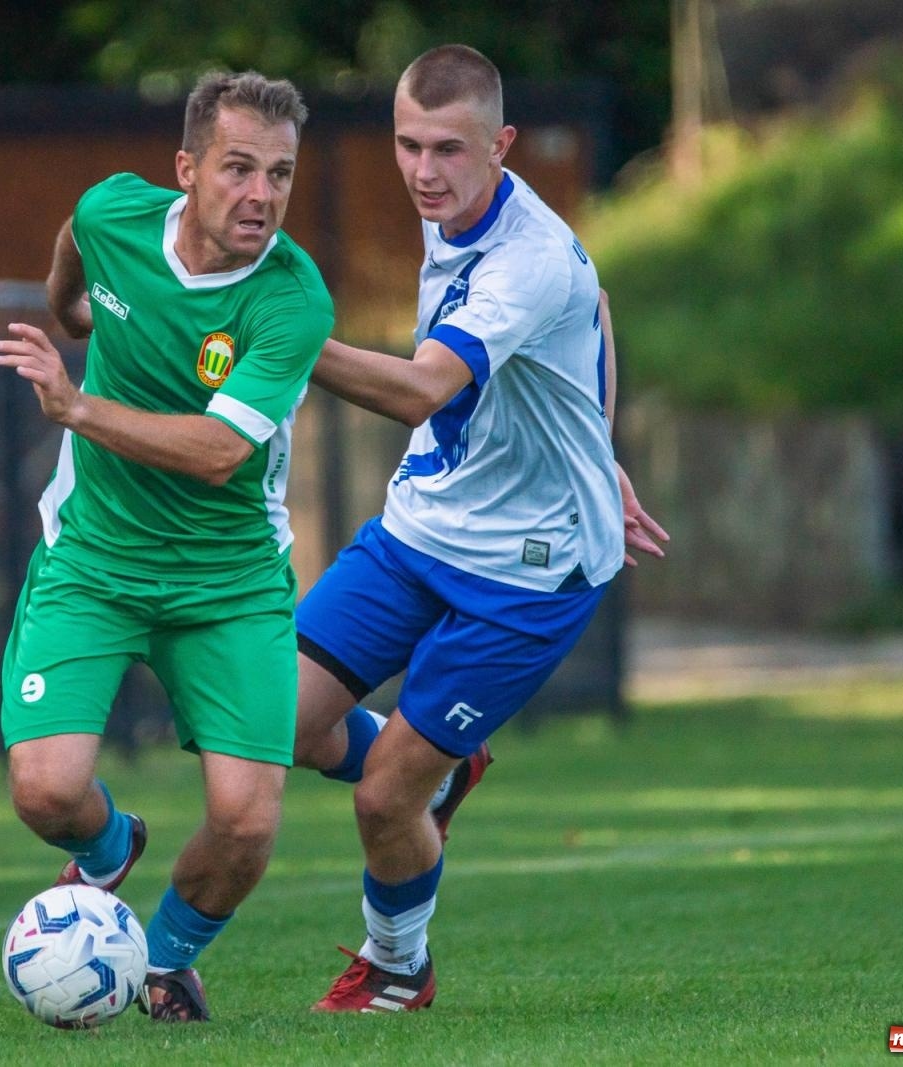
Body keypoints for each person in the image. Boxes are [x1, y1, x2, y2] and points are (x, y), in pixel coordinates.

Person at [285, 44, 669, 1013]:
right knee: (270, 723)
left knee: (382, 800)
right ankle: (437, 763)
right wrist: (599, 442)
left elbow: (420, 387)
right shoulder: (457, 207)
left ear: (499, 145)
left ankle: (398, 965)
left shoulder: (527, 257)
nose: (422, 170)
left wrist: (280, 341)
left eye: (448, 150)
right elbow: (602, 307)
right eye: (407, 145)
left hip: (526, 575)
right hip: (424, 525)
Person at [0, 70, 333, 1023]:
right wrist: (70, 311)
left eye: (280, 174)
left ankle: (164, 958)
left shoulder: (292, 300)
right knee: (44, 790)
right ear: (186, 171)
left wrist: (76, 403)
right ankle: (109, 850)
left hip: (228, 584)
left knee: (248, 818)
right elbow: (76, 241)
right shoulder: (115, 213)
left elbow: (223, 452)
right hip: (94, 558)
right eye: (237, 169)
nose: (260, 194)